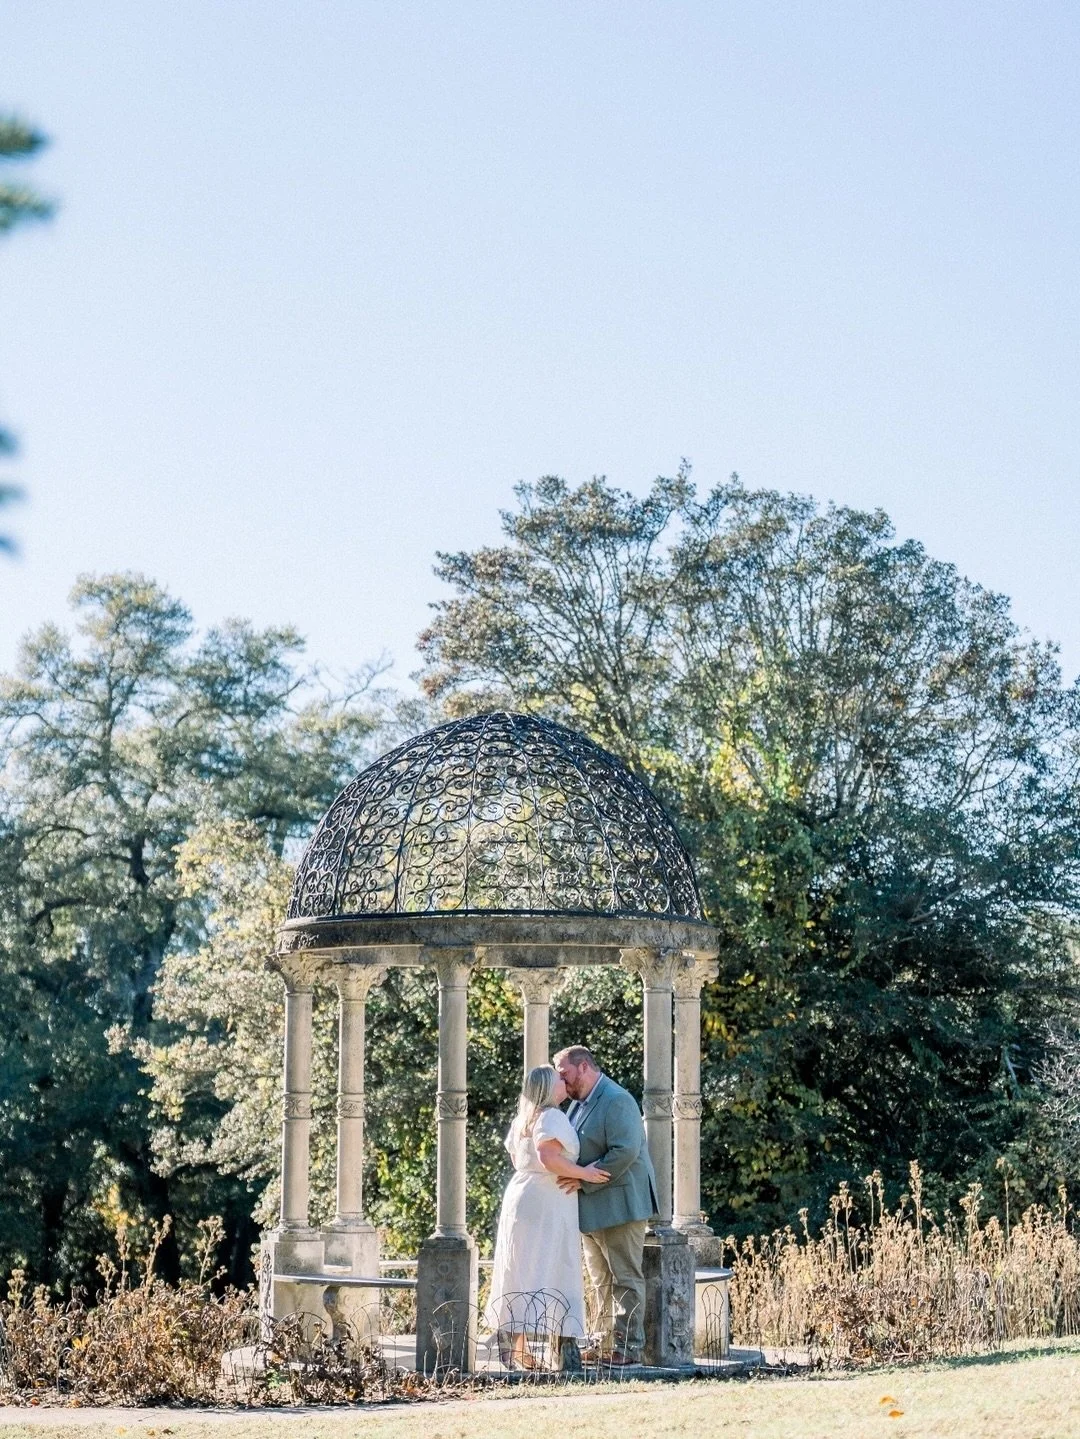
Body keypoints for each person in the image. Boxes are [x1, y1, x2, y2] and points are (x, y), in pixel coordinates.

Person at [485, 1063, 611, 1370]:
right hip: (546, 1200)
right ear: (546, 1087)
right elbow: (547, 1156)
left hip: (521, 1196)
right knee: (551, 1265)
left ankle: (516, 1349)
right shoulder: (551, 1115)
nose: (564, 1083)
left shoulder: (523, 1118)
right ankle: (554, 1349)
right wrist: (585, 1173)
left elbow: (519, 1157)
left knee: (520, 1268)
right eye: (558, 1079)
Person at [553, 1046, 658, 1366]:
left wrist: (583, 1181)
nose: (562, 1081)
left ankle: (628, 1349)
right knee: (600, 1281)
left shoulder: (617, 1099)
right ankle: (602, 1344)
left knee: (625, 1277)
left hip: (621, 1206)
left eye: (564, 1074)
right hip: (593, 1209)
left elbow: (624, 1152)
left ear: (583, 1067)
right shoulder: (578, 1104)